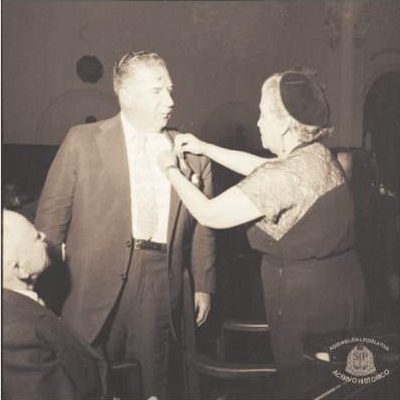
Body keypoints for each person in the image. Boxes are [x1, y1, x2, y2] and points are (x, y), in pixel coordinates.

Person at [35, 51, 216, 399]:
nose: (170, 101)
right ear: (126, 95)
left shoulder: (192, 153)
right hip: (88, 284)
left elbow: (203, 229)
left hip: (160, 281)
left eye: (171, 90)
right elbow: (50, 221)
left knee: (153, 384)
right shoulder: (82, 140)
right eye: (157, 91)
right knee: (88, 382)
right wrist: (41, 288)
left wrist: (204, 284)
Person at [158, 70, 366, 369]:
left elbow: (209, 213)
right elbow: (264, 168)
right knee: (340, 378)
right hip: (342, 290)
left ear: (285, 125)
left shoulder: (284, 175)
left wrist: (170, 169)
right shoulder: (314, 155)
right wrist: (205, 149)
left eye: (263, 114)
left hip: (307, 304)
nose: (258, 122)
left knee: (306, 381)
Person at [3, 210, 107, 400]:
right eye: (36, 237)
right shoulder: (14, 336)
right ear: (19, 270)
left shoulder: (18, 305)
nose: (44, 236)